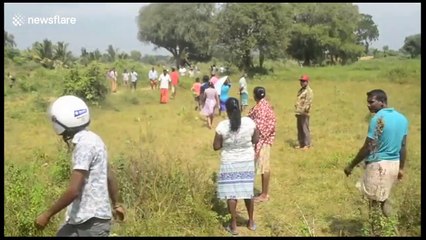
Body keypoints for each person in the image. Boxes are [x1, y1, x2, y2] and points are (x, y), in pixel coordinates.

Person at [34, 95, 125, 236]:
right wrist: (116, 204)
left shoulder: (84, 146)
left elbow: (73, 190)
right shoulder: (94, 139)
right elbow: (109, 175)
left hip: (90, 222)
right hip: (81, 218)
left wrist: (47, 214)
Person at [344, 89, 408, 221]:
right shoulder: (402, 119)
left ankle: (378, 231)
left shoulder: (377, 119)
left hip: (379, 167)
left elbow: (368, 146)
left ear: (382, 102)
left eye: (371, 102)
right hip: (394, 165)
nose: (368, 105)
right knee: (383, 199)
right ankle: (392, 227)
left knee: (374, 205)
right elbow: (403, 146)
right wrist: (401, 168)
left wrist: (351, 165)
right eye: (367, 102)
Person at [213, 97, 260, 235]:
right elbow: (256, 139)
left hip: (229, 162)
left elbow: (216, 146)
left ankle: (233, 226)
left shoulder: (222, 126)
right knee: (247, 192)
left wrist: (227, 144)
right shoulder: (249, 122)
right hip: (246, 161)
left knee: (231, 194)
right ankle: (251, 222)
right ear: (239, 108)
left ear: (226, 111)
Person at [248, 86, 277, 203]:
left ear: (254, 95)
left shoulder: (261, 108)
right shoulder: (264, 105)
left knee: (264, 167)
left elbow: (260, 126)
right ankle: (263, 192)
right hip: (264, 139)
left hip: (262, 140)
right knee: (263, 166)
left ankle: (264, 194)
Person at [294, 74, 313, 150]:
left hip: (304, 112)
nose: (301, 82)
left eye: (303, 81)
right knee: (300, 128)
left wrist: (304, 111)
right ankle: (301, 143)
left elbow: (308, 102)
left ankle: (307, 144)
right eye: (301, 81)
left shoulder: (309, 91)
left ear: (307, 82)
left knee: (305, 128)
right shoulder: (301, 90)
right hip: (298, 112)